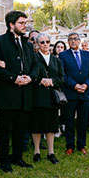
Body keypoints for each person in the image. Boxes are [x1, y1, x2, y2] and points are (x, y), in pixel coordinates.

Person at [0, 11, 38, 172]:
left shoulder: (28, 44)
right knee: (5, 130)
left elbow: (36, 66)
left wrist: (30, 78)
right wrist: (13, 78)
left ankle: (17, 157)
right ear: (11, 25)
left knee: (20, 128)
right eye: (22, 23)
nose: (25, 26)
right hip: (8, 93)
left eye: (25, 23)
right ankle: (4, 160)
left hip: (25, 93)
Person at [59, 32, 89, 155]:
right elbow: (62, 74)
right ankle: (70, 145)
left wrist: (86, 85)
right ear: (68, 42)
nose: (73, 41)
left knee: (83, 120)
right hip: (70, 93)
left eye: (75, 39)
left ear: (79, 41)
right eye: (70, 40)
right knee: (69, 121)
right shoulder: (63, 55)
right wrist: (74, 85)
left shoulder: (87, 55)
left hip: (85, 93)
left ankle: (81, 145)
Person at [31, 33, 64, 164]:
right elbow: (30, 75)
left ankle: (51, 152)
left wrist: (52, 81)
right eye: (42, 42)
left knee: (51, 125)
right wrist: (40, 80)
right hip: (38, 96)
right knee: (37, 124)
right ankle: (37, 151)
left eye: (47, 42)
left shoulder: (56, 60)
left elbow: (61, 78)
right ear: (38, 44)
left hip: (51, 97)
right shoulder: (33, 58)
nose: (45, 44)